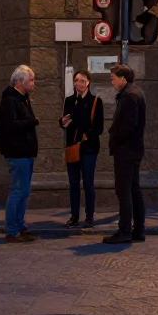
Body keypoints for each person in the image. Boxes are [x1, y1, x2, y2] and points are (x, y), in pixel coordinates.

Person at [104, 63, 147, 244]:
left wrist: (115, 137)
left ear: (123, 78)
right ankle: (138, 230)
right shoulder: (135, 93)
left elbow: (128, 126)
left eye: (113, 78)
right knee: (134, 190)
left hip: (126, 151)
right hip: (133, 150)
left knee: (124, 191)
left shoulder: (129, 96)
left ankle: (124, 231)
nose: (112, 81)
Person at [0, 65, 39, 243]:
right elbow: (11, 126)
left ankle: (20, 226)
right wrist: (32, 122)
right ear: (21, 82)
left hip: (26, 152)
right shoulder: (10, 100)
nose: (33, 83)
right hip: (17, 152)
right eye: (31, 80)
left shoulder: (23, 98)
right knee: (18, 191)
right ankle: (12, 230)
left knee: (24, 191)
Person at [61, 71, 104, 228]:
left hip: (88, 148)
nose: (79, 83)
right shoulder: (69, 101)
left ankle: (89, 216)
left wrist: (86, 133)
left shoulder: (95, 101)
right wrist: (62, 122)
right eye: (76, 80)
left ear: (88, 82)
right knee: (73, 183)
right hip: (73, 146)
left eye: (82, 80)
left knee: (88, 183)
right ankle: (74, 216)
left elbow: (99, 128)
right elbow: (66, 122)